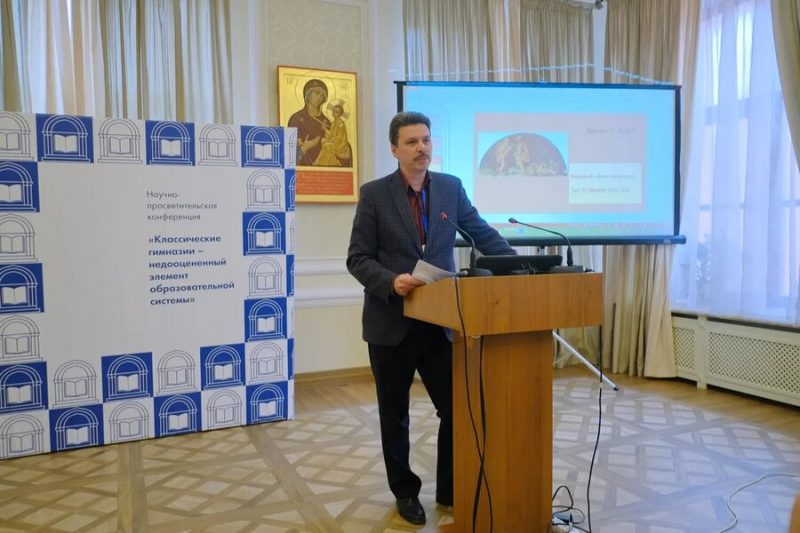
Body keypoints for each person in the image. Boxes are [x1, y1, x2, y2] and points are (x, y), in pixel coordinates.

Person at [346, 111, 515, 526]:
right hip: (392, 321)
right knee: (395, 414)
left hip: (440, 322)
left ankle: (450, 487)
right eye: (411, 142)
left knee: (455, 408)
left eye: (425, 140)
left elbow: (482, 234)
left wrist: (517, 264)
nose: (421, 148)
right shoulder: (374, 195)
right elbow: (357, 258)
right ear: (394, 149)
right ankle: (405, 492)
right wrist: (391, 281)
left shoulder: (450, 189)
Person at [314, 101, 351, 167]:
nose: (333, 113)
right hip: (334, 142)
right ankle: (331, 161)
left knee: (327, 145)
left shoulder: (341, 124)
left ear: (340, 114)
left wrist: (327, 132)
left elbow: (339, 137)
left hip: (340, 145)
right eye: (333, 111)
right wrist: (325, 129)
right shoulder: (333, 123)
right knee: (323, 140)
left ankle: (319, 161)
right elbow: (330, 134)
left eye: (336, 112)